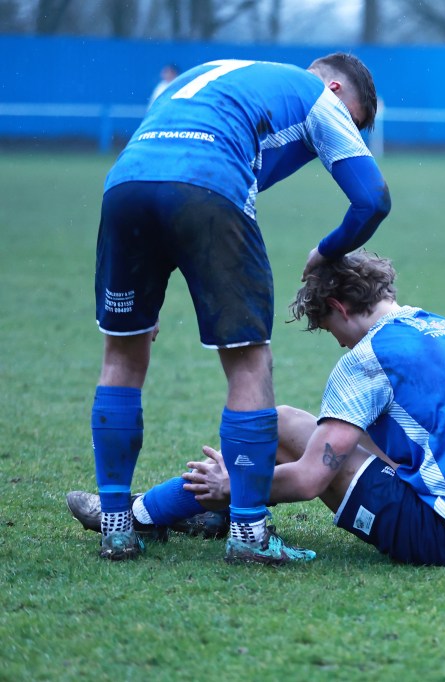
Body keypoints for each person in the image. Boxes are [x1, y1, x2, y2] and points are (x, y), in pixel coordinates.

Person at [90, 52, 392, 563]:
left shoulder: (210, 76)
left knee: (122, 356)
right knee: (250, 363)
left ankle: (116, 526)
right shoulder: (319, 96)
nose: (349, 133)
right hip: (209, 185)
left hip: (125, 186)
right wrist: (327, 250)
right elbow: (372, 200)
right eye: (353, 122)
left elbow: (162, 165)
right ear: (338, 91)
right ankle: (249, 534)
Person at [71, 252, 445, 566]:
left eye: (328, 327)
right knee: (288, 423)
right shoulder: (440, 327)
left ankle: (143, 513)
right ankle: (201, 511)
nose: (338, 342)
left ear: (338, 307)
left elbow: (311, 478)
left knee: (283, 438)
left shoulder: (366, 359)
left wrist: (234, 486)